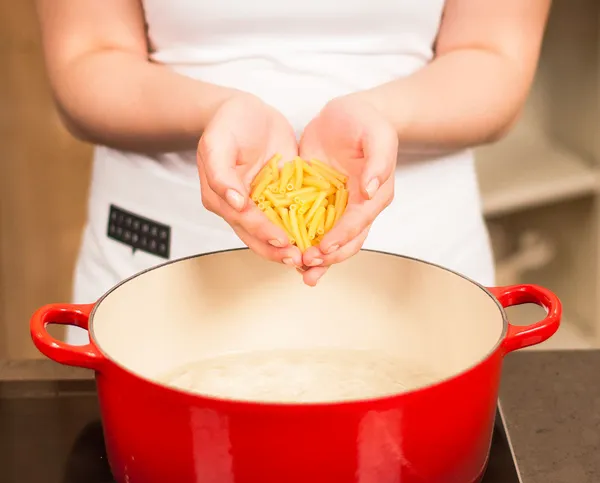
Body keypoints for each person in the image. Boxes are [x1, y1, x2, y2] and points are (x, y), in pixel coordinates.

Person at [36, 0, 549, 345]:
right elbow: (87, 59)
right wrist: (213, 111)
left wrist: (382, 115)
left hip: (420, 275)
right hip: (157, 276)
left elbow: (493, 58)